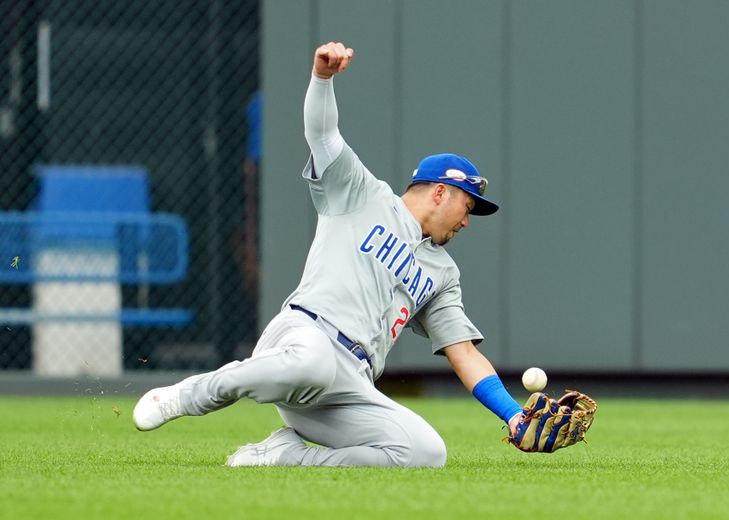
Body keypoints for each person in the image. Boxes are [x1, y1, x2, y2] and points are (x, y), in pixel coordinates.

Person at [133, 41, 526, 468]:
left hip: (348, 385)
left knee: (425, 453)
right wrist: (322, 80)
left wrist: (515, 415)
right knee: (314, 363)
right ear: (439, 191)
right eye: (467, 207)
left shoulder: (442, 272)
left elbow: (463, 352)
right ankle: (186, 395)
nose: (467, 221)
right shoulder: (362, 193)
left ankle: (286, 456)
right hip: (304, 339)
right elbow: (322, 135)